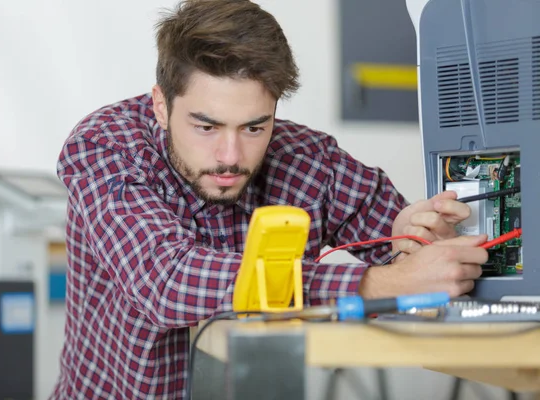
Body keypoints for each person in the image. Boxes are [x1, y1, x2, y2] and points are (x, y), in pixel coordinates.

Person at [50, 0, 488, 398]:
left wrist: (411, 241)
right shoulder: (105, 147)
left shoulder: (309, 160)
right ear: (161, 106)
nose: (230, 156)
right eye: (206, 127)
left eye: (255, 127)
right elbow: (165, 280)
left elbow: (407, 252)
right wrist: (381, 284)